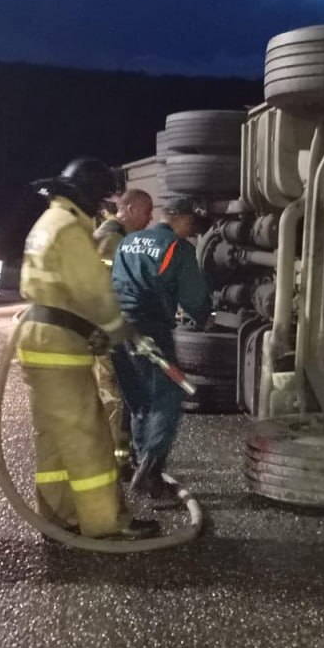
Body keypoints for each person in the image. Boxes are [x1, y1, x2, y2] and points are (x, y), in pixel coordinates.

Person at [19, 158, 160, 539]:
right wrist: (118, 330)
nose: (100, 209)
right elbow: (94, 290)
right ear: (84, 197)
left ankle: (59, 516)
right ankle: (104, 522)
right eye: (98, 201)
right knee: (89, 437)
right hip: (58, 346)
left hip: (41, 338)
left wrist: (92, 330)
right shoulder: (69, 229)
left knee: (53, 437)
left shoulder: (48, 223)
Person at [111, 195, 212, 507]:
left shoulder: (129, 241)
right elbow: (194, 298)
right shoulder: (178, 249)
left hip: (117, 330)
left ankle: (141, 464)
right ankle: (151, 475)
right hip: (150, 332)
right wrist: (204, 317)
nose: (190, 231)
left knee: (139, 402)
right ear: (181, 219)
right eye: (191, 225)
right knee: (167, 400)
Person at [91, 189, 154, 469]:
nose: (149, 218)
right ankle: (112, 460)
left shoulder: (122, 239)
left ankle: (121, 456)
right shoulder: (111, 238)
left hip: (115, 328)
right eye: (145, 211)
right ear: (128, 208)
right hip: (106, 329)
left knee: (124, 394)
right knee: (113, 394)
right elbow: (110, 286)